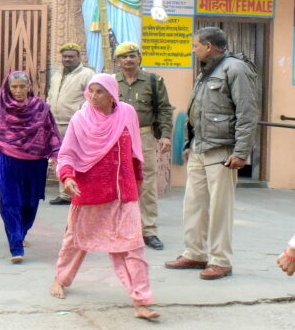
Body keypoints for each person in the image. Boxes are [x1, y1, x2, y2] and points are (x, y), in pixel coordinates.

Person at [49, 74, 159, 321]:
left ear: (112, 93)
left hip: (123, 192)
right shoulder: (81, 118)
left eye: (100, 91)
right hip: (89, 191)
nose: (94, 96)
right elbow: (66, 154)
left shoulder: (127, 112)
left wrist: (137, 181)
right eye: (92, 91)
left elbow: (134, 151)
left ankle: (141, 300)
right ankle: (61, 278)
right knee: (75, 241)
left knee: (132, 247)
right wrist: (67, 177)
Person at [165, 26, 259, 280]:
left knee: (220, 208)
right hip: (200, 147)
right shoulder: (206, 72)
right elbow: (197, 109)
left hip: (223, 150)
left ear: (208, 46)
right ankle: (195, 253)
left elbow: (247, 112)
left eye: (195, 46)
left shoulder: (236, 69)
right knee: (193, 204)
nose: (193, 50)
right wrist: (188, 144)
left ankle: (221, 260)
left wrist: (241, 152)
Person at [0, 71, 61, 263]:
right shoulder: (0, 110)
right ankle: (16, 246)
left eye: (22, 86)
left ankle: (20, 233)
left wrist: (57, 158)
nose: (18, 91)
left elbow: (53, 134)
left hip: (35, 162)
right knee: (10, 202)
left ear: (29, 86)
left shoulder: (41, 109)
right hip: (8, 161)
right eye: (14, 87)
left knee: (30, 203)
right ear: (8, 88)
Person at [114, 42, 173, 250]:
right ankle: (122, 228)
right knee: (118, 182)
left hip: (144, 136)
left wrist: (165, 135)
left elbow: (165, 109)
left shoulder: (153, 81)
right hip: (117, 139)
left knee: (147, 183)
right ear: (117, 61)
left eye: (132, 55)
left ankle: (149, 230)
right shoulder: (112, 82)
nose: (128, 60)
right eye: (124, 57)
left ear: (139, 57)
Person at [46, 42, 95, 205]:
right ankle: (65, 194)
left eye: (71, 57)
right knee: (60, 157)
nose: (67, 59)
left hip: (76, 124)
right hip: (56, 123)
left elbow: (92, 99)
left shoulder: (87, 75)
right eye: (65, 56)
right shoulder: (57, 75)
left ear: (78, 57)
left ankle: (79, 191)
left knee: (76, 157)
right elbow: (51, 96)